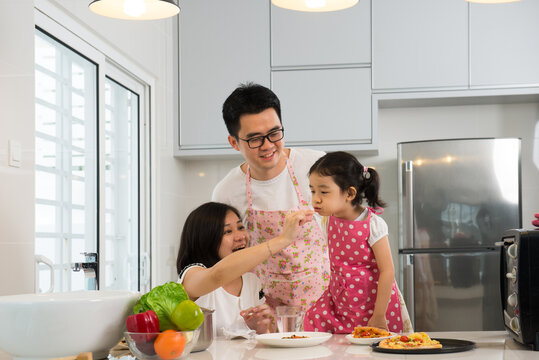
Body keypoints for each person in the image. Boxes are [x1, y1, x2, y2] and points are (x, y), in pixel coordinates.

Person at [211, 82, 330, 313]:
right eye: (255, 139)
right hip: (264, 312)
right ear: (234, 142)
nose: (268, 146)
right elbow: (225, 260)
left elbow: (350, 226)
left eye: (274, 133)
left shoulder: (318, 166)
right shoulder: (226, 192)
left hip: (325, 306)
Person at [303, 151, 412, 334]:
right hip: (341, 301)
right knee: (315, 323)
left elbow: (387, 270)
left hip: (372, 304)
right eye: (313, 190)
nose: (315, 199)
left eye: (323, 191)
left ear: (350, 193)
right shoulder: (327, 220)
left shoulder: (372, 224)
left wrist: (379, 315)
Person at [177, 201, 313, 336]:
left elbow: (264, 337)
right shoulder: (191, 274)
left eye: (241, 227)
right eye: (228, 231)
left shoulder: (251, 281)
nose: (241, 237)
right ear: (205, 239)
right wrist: (283, 239)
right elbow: (217, 274)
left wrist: (260, 328)